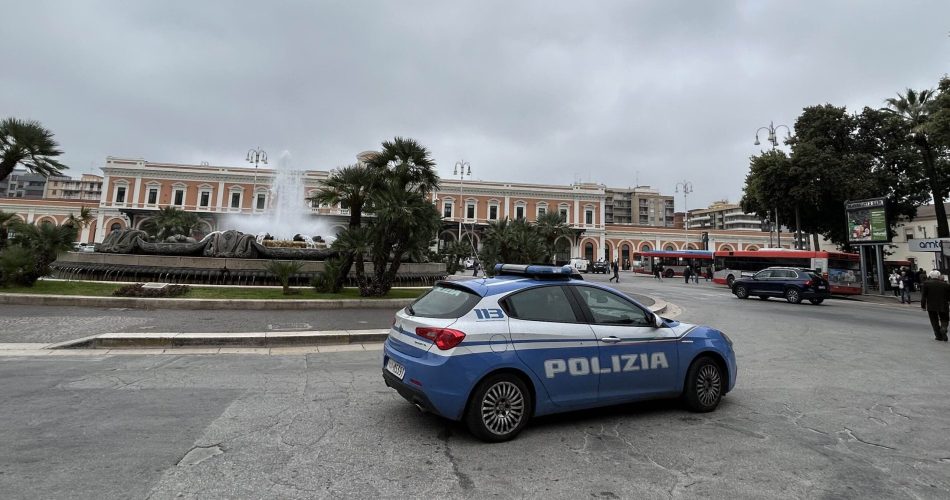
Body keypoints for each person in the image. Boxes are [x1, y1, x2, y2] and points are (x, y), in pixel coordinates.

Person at [920, 270, 949, 341]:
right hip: (943, 305)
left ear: (930, 276)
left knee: (934, 321)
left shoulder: (926, 284)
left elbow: (924, 296)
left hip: (931, 305)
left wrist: (923, 306)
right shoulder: (945, 284)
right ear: (939, 276)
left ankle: (938, 336)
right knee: (944, 319)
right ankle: (943, 329)